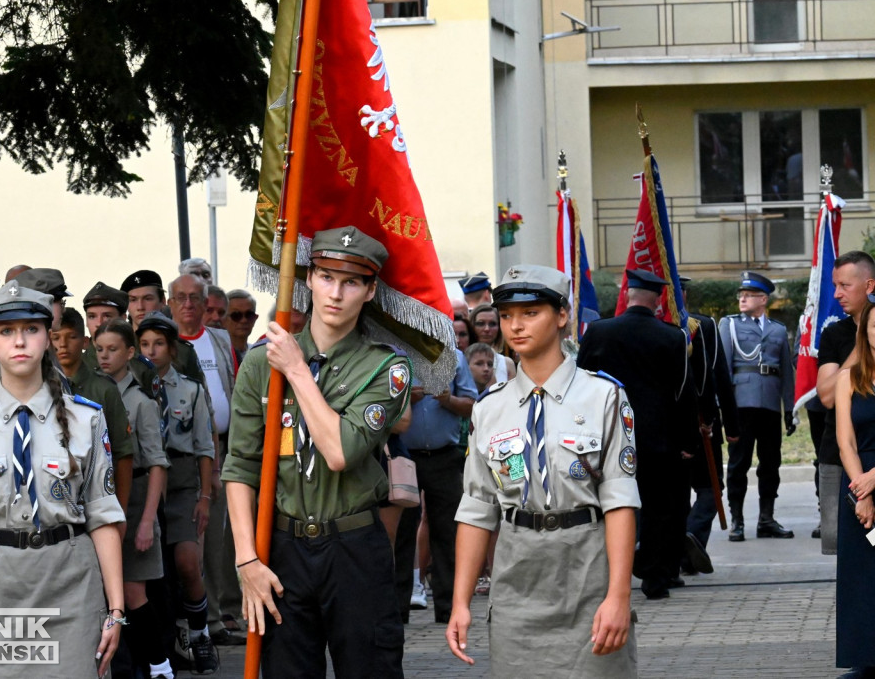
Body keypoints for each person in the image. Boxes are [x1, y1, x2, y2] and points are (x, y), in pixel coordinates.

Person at [224, 226, 411, 677]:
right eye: (326, 277)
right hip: (282, 548)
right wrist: (247, 559)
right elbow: (240, 468)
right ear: (307, 280)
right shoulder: (258, 363)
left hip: (354, 548)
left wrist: (296, 371)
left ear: (369, 292)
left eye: (351, 282)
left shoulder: (386, 367)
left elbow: (340, 451)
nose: (336, 293)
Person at [448, 264, 639, 677]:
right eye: (506, 315)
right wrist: (460, 601)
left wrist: (619, 596)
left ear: (562, 315)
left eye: (531, 312)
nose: (515, 326)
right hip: (518, 575)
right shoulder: (489, 407)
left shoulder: (604, 396)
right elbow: (477, 508)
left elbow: (620, 501)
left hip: (587, 569)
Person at [0, 280, 125, 679]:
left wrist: (116, 609)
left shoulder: (86, 418)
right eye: (6, 331)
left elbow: (104, 516)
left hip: (71, 583)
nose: (19, 341)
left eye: (31, 329)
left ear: (47, 338)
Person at [578, 268, 698, 600]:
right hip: (658, 441)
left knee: (609, 507)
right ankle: (656, 579)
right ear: (658, 300)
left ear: (627, 294)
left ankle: (605, 579)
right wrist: (688, 441)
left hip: (609, 439)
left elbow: (580, 385)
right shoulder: (672, 336)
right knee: (660, 510)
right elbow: (683, 393)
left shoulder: (599, 332)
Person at [136, 311, 219, 673]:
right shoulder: (134, 388)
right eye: (144, 344)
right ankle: (168, 642)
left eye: (158, 344)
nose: (151, 351)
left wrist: (204, 497)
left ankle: (200, 632)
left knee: (187, 561)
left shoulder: (191, 389)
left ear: (172, 348)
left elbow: (204, 445)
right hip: (147, 481)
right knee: (157, 571)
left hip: (183, 479)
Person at [94, 320, 175, 679]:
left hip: (138, 495)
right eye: (99, 350)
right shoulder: (93, 393)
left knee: (132, 594)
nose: (105, 356)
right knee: (108, 595)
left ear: (130, 353)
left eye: (113, 349)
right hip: (102, 495)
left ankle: (160, 666)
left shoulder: (140, 401)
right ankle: (126, 668)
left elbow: (157, 463)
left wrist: (146, 522)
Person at [166, 273, 243, 644]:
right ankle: (199, 621)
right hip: (187, 455)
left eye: (196, 297)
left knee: (219, 538)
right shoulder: (165, 341)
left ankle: (219, 616)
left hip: (224, 448)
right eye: (181, 297)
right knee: (191, 539)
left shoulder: (220, 339)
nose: (189, 305)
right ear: (170, 302)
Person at [394, 349, 476, 625]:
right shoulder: (398, 355)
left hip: (445, 456)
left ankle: (449, 608)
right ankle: (397, 608)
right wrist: (408, 398)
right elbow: (379, 403)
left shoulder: (454, 357)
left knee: (449, 533)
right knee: (402, 533)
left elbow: (471, 404)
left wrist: (448, 400)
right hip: (405, 456)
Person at [719, 271, 796, 541]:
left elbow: (786, 370)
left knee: (770, 463)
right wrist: (724, 410)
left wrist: (790, 409)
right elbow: (723, 369)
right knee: (738, 463)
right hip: (741, 403)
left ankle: (766, 519)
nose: (742, 298)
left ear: (763, 299)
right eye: (741, 294)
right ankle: (737, 520)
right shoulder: (728, 326)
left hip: (770, 404)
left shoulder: (776, 330)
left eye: (748, 295)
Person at [817, 251, 875, 555]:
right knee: (847, 547)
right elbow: (826, 396)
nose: (837, 294)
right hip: (841, 458)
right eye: (834, 286)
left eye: (844, 285)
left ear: (869, 285)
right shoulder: (834, 334)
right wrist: (862, 345)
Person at [680, 277, 739, 575]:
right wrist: (730, 424)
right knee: (709, 492)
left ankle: (686, 552)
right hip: (703, 425)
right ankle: (689, 540)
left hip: (662, 430)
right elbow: (717, 378)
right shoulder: (701, 325)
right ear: (685, 295)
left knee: (674, 494)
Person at [52, 308, 135, 514]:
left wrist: (120, 511)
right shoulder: (42, 388)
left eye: (71, 337)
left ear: (85, 342)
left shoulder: (104, 389)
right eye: (56, 337)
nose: (63, 345)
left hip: (97, 497)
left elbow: (123, 453)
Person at [833, 301, 875, 677]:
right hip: (860, 487)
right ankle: (864, 658)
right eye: (874, 328)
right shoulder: (849, 377)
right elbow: (845, 442)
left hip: (871, 477)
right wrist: (864, 492)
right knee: (860, 576)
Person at [81, 281, 129, 370]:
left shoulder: (139, 367)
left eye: (107, 316)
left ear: (123, 319)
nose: (99, 323)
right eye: (92, 316)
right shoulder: (75, 366)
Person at [470, 304, 516, 382]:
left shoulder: (507, 363)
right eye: (480, 323)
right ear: (471, 326)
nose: (487, 329)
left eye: (492, 324)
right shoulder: (460, 360)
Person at [224, 289, 258, 364]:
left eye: (249, 315)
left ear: (255, 318)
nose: (244, 320)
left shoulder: (259, 354)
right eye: (236, 315)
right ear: (224, 319)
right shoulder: (216, 354)